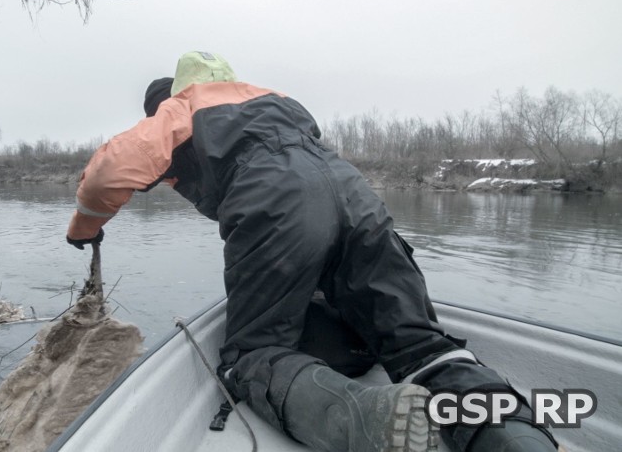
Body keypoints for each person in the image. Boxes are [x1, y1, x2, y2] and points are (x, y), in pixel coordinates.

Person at [67, 52, 559, 452]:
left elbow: (111, 171)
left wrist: (84, 228)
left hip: (275, 199)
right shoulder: (272, 99)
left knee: (251, 354)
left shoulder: (183, 108)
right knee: (420, 345)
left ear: (179, 90)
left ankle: (367, 419)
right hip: (354, 192)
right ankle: (518, 437)